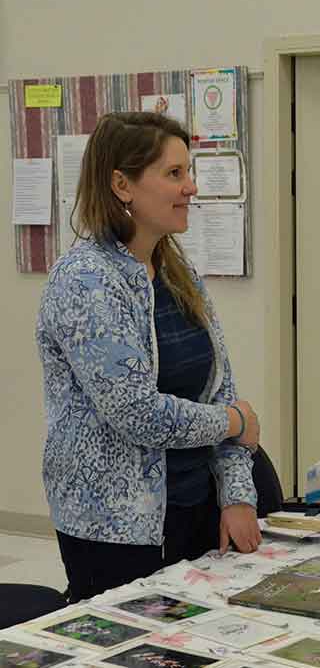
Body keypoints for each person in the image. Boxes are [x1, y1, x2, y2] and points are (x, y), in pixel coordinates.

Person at [36, 112, 263, 603]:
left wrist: (238, 494)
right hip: (115, 529)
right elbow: (139, 415)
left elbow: (222, 394)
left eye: (189, 172)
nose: (191, 187)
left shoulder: (177, 274)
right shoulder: (85, 281)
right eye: (174, 174)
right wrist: (232, 422)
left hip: (196, 508)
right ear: (122, 185)